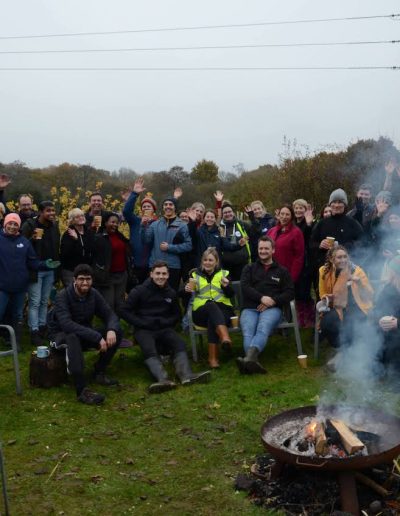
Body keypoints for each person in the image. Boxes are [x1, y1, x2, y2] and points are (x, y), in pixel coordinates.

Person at [120, 261, 210, 393]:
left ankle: (186, 375)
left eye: (164, 274)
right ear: (151, 274)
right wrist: (140, 323)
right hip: (144, 329)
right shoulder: (139, 291)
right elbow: (124, 311)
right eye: (157, 273)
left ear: (168, 275)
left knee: (179, 343)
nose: (160, 277)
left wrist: (166, 322)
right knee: (148, 347)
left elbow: (177, 315)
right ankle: (163, 379)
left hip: (164, 328)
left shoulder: (171, 293)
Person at [47, 264, 121, 405]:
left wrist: (111, 329)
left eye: (88, 279)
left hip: (85, 333)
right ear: (74, 280)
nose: (85, 282)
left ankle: (99, 372)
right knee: (72, 338)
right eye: (81, 279)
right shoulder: (63, 296)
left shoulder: (94, 294)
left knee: (117, 331)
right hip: (61, 336)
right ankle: (81, 390)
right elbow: (66, 325)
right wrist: (97, 337)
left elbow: (109, 314)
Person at [237, 236, 294, 374]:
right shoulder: (249, 268)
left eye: (266, 248)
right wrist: (262, 298)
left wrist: (273, 301)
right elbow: (245, 287)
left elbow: (290, 292)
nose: (263, 251)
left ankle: (248, 361)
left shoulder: (282, 271)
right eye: (260, 248)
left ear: (273, 250)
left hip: (272, 309)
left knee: (263, 327)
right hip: (250, 308)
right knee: (248, 331)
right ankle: (252, 361)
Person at [185, 248, 235, 368]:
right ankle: (224, 337)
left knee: (212, 319)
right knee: (211, 306)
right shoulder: (194, 275)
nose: (207, 262)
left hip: (224, 312)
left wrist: (226, 286)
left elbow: (231, 295)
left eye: (211, 260)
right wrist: (186, 289)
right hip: (200, 312)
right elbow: (183, 294)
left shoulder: (224, 274)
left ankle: (212, 359)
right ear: (202, 261)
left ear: (216, 262)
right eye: (205, 260)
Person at [318, 245, 373, 350]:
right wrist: (328, 297)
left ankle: (351, 352)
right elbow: (322, 293)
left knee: (353, 322)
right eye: (339, 257)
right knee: (328, 323)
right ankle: (341, 349)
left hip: (357, 305)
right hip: (335, 306)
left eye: (345, 256)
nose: (343, 260)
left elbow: (369, 295)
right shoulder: (324, 271)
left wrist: (359, 282)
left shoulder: (357, 271)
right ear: (331, 259)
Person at [21, 200, 61, 346]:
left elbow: (56, 247)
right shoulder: (30, 225)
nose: (51, 213)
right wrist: (33, 239)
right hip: (35, 270)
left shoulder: (54, 226)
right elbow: (21, 245)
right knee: (35, 302)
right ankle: (34, 330)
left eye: (53, 210)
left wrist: (57, 270)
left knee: (45, 301)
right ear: (40, 212)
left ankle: (43, 327)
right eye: (48, 210)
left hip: (49, 269)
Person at [310, 188, 364, 294]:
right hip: (326, 269)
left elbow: (363, 242)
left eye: (340, 202)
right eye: (334, 202)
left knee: (347, 300)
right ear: (330, 204)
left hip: (347, 269)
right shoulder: (322, 223)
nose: (337, 205)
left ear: (345, 205)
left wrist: (345, 246)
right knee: (326, 300)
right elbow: (311, 243)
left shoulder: (352, 223)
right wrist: (319, 245)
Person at [0, 213, 42, 350]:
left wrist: (46, 265)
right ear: (5, 224)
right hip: (2, 286)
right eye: (10, 223)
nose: (12, 226)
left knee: (18, 314)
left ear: (19, 227)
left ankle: (15, 343)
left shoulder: (24, 242)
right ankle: (5, 337)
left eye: (15, 224)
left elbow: (33, 262)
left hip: (20, 287)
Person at [141, 197, 192, 291]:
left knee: (170, 296)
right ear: (163, 207)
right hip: (155, 265)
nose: (168, 206)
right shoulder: (154, 224)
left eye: (171, 204)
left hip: (173, 266)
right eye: (165, 204)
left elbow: (188, 245)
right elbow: (146, 241)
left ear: (175, 207)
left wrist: (170, 247)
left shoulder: (182, 225)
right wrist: (143, 226)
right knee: (152, 295)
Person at [92, 212, 130, 315]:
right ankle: (109, 327)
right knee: (109, 304)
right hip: (108, 276)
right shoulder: (99, 237)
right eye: (112, 222)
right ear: (105, 223)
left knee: (120, 304)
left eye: (117, 223)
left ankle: (116, 327)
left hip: (122, 275)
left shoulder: (120, 236)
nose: (115, 225)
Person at [122, 179, 157, 285]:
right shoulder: (135, 221)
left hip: (151, 266)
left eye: (149, 207)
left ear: (153, 209)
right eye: (144, 207)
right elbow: (126, 211)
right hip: (135, 265)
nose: (146, 208)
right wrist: (135, 194)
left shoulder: (158, 224)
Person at [373, 256, 400, 379]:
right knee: (376, 332)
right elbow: (377, 309)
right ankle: (378, 368)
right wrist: (380, 319)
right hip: (391, 332)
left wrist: (397, 323)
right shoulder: (390, 288)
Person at [267, 204, 305, 283]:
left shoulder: (296, 232)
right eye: (282, 214)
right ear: (278, 214)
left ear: (292, 217)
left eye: (287, 214)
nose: (284, 217)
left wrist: (292, 277)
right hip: (269, 271)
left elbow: (299, 257)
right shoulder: (272, 231)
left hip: (285, 274)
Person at [292, 199, 315, 327]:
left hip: (306, 261)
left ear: (306, 210)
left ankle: (311, 317)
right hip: (294, 261)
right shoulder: (292, 223)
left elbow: (307, 237)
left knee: (304, 291)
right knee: (296, 292)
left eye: (301, 208)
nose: (298, 210)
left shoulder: (309, 223)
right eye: (296, 208)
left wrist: (309, 224)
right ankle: (300, 319)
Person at [60, 208, 94, 287]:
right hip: (71, 271)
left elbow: (92, 249)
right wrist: (75, 240)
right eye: (77, 217)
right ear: (72, 220)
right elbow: (65, 253)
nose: (81, 218)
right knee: (73, 295)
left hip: (85, 271)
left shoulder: (88, 232)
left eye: (82, 215)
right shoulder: (68, 234)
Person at [219, 203, 251, 281]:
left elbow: (256, 231)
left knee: (242, 289)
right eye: (225, 213)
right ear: (222, 215)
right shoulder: (221, 228)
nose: (228, 214)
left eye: (229, 211)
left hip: (243, 264)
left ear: (233, 212)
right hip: (227, 266)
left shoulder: (242, 224)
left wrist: (252, 216)